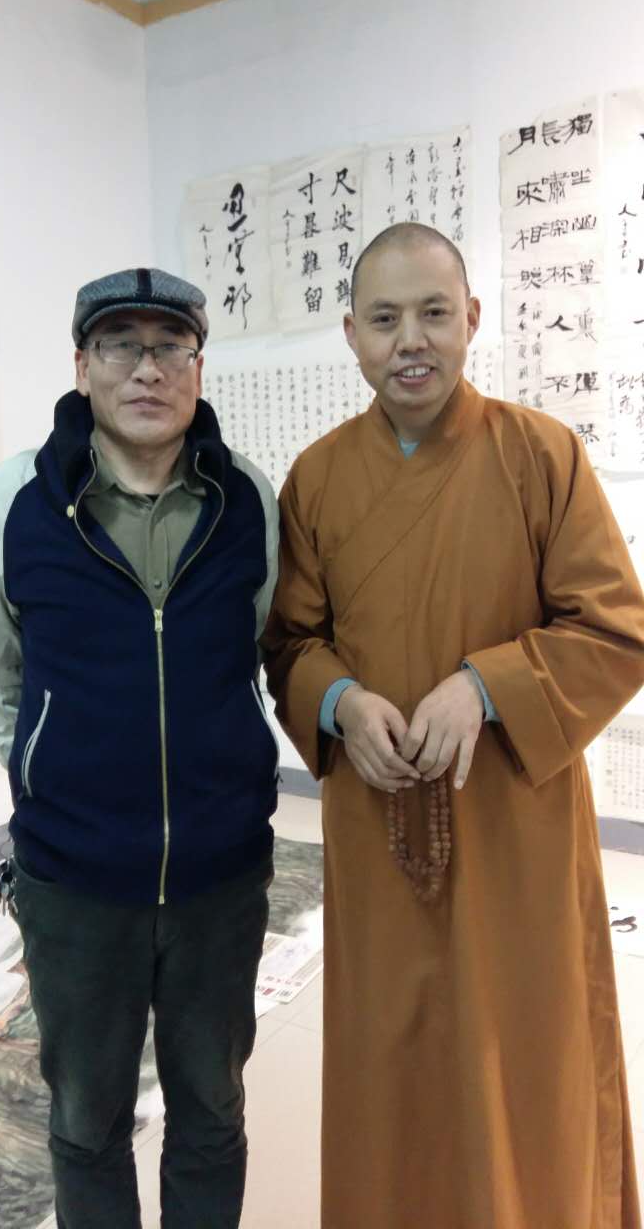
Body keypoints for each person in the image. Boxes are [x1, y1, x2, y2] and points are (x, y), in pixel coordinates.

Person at [262, 223, 644, 1229]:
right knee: (390, 1051)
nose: (411, 340)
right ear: (352, 334)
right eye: (385, 318)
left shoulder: (541, 455)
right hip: (375, 817)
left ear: (472, 318)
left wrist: (485, 686)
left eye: (434, 312)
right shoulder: (317, 478)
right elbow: (290, 641)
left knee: (522, 1052)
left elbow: (614, 627)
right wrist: (341, 702)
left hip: (513, 817)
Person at [0, 267, 280, 1229]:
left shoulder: (246, 497)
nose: (148, 368)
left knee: (212, 1111)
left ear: (198, 364)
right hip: (75, 883)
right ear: (82, 365)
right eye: (121, 346)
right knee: (87, 1119)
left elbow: (261, 641)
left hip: (221, 877)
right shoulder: (18, 498)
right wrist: (47, 773)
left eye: (170, 345)